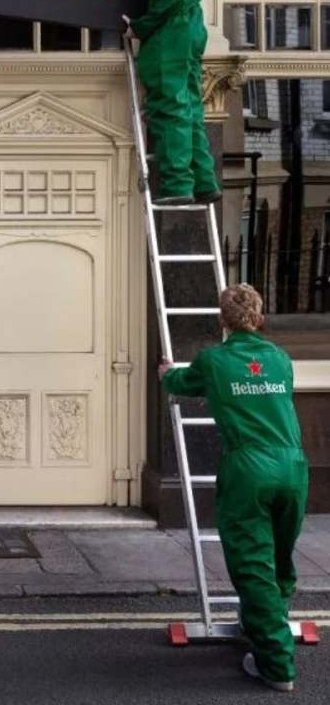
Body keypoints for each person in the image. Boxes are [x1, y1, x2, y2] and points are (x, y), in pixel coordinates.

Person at [160, 284, 308, 693]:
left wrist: (166, 373)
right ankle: (265, 620)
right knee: (280, 555)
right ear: (260, 318)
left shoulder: (213, 360)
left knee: (253, 563)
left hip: (249, 467)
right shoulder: (280, 359)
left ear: (222, 320)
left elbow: (180, 382)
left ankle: (276, 665)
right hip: (293, 465)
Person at [125, 0, 220, 206]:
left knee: (169, 108)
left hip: (171, 36)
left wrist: (139, 27)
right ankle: (204, 180)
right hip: (191, 30)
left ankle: (178, 184)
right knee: (191, 108)